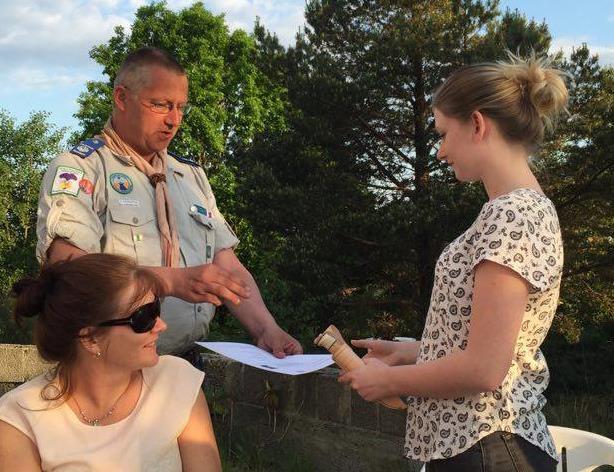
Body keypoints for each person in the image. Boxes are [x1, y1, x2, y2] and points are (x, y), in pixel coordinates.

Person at [339, 54, 569, 471]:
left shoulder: (513, 215)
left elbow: (484, 368)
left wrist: (388, 381)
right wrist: (410, 352)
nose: (441, 151)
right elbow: (489, 345)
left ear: (477, 124)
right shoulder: (513, 212)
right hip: (479, 446)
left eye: (444, 134)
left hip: (488, 446)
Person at [36, 47, 301, 359]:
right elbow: (67, 267)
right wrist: (170, 281)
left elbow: (226, 265)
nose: (174, 120)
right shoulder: (82, 168)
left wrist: (266, 329)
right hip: (106, 364)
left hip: (184, 364)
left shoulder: (190, 176)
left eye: (180, 108)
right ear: (121, 98)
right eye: (160, 105)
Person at [0, 254, 221, 471]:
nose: (161, 325)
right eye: (144, 318)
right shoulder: (21, 417)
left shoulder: (177, 382)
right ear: (90, 339)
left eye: (157, 309)